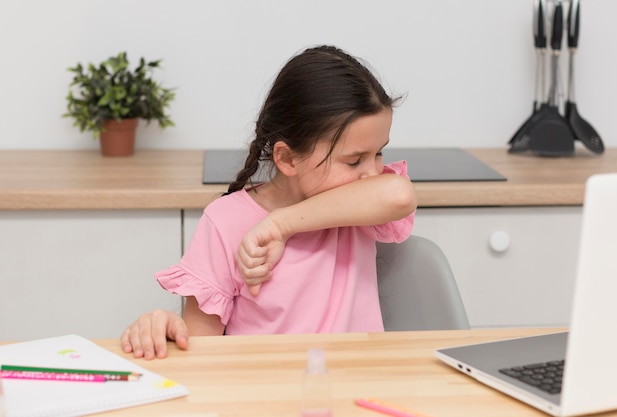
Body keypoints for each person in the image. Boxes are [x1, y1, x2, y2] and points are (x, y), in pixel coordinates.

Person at [121, 45, 418, 359]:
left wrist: (280, 226)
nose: (372, 173)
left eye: (379, 153)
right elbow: (197, 348)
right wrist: (165, 327)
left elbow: (398, 194)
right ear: (287, 158)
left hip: (355, 389)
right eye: (355, 160)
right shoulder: (226, 222)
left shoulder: (360, 207)